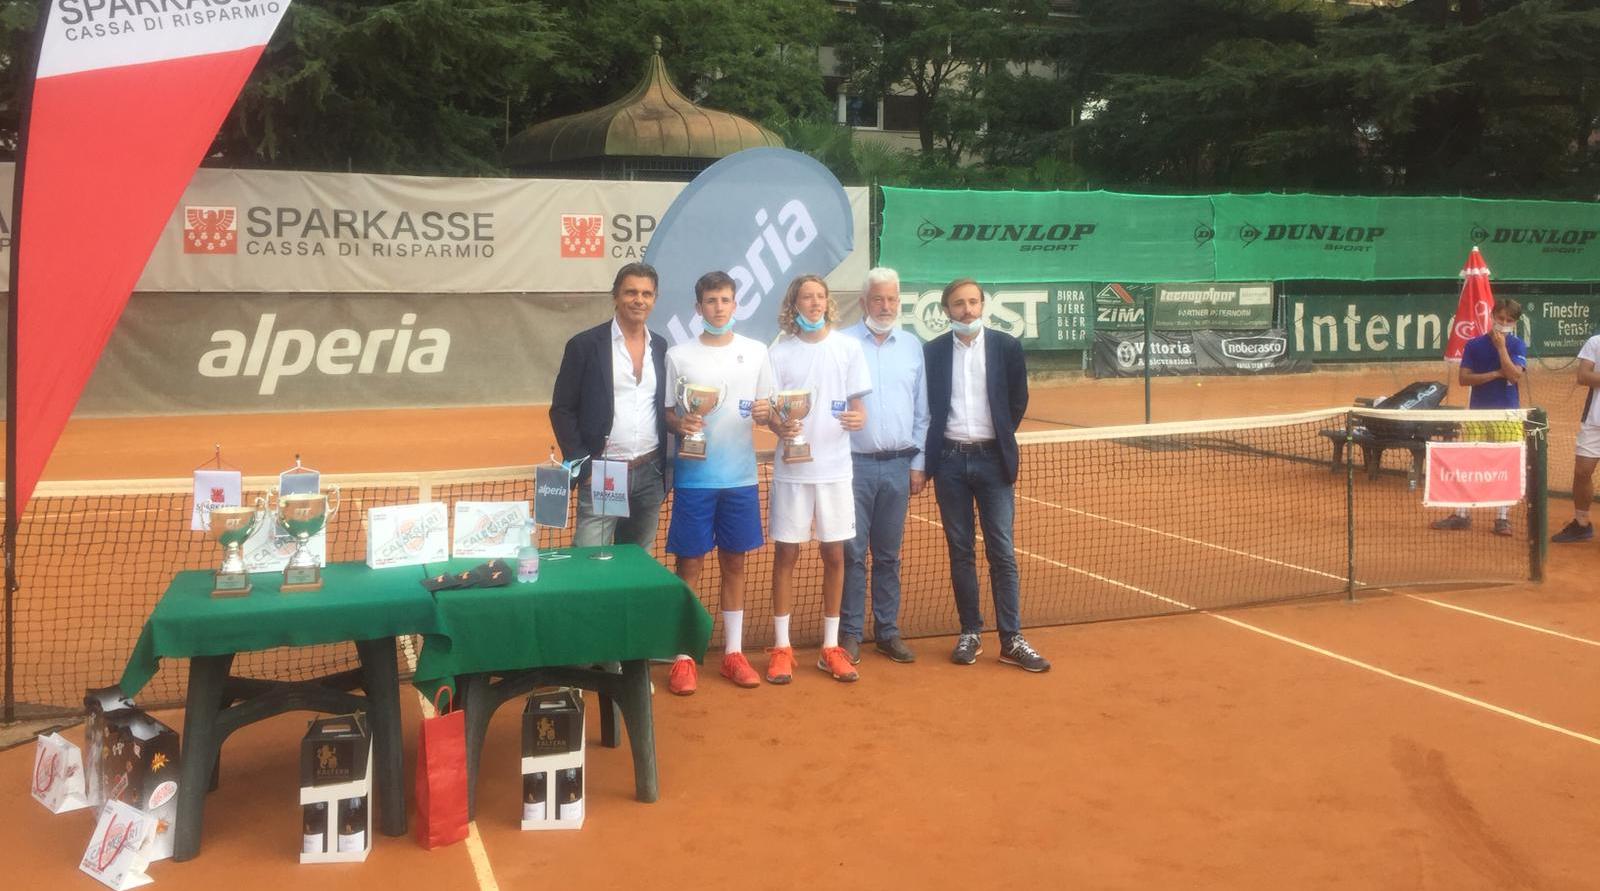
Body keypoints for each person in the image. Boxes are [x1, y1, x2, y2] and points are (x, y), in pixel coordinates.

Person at [924, 278, 1050, 672]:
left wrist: (996, 440)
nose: (967, 309)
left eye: (973, 302)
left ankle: (1011, 638)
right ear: (947, 310)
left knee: (1002, 551)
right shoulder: (933, 352)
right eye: (959, 304)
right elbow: (928, 405)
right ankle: (970, 633)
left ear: (983, 305)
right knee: (960, 552)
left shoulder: (1006, 347)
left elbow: (1018, 399)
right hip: (948, 462)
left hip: (993, 462)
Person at [661, 271, 773, 694]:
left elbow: (767, 411)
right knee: (688, 565)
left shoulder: (757, 352)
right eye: (711, 300)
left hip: (740, 478)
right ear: (698, 307)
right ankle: (685, 657)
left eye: (726, 299)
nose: (719, 307)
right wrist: (680, 421)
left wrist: (766, 414)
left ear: (735, 304)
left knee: (735, 564)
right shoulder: (679, 355)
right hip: (694, 480)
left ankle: (733, 653)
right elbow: (669, 413)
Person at [763, 274, 871, 684]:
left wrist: (859, 418)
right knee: (786, 556)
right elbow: (771, 411)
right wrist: (778, 427)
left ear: (828, 303)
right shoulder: (780, 352)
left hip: (835, 470)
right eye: (806, 297)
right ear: (794, 304)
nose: (814, 303)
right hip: (793, 471)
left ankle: (830, 647)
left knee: (835, 556)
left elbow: (859, 410)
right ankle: (782, 647)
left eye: (820, 296)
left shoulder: (848, 348)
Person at [840, 267, 928, 664]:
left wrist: (919, 463)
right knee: (852, 554)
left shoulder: (913, 346)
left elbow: (922, 412)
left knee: (889, 556)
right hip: (852, 467)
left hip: (898, 466)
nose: (887, 305)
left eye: (893, 299)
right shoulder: (842, 345)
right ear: (864, 302)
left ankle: (888, 632)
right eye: (879, 298)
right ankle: (851, 634)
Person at [549, 262, 669, 548]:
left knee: (637, 566)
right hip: (604, 472)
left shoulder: (661, 347)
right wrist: (585, 467)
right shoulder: (585, 345)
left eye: (646, 294)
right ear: (615, 295)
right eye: (630, 292)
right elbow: (562, 409)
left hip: (650, 472)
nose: (638, 300)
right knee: (592, 562)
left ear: (654, 299)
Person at [1432, 299, 1526, 536]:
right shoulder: (1473, 345)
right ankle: (1462, 515)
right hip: (1477, 413)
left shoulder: (1517, 345)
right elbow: (1464, 379)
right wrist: (1496, 373)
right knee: (1470, 463)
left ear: (1515, 323)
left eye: (1509, 320)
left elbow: (1514, 376)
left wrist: (1502, 348)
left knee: (1505, 465)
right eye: (1501, 318)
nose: (1504, 323)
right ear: (1493, 316)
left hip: (1507, 415)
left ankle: (1502, 519)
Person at [1552, 327, 1600, 543]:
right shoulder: (1595, 342)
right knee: (1582, 471)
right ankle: (1581, 524)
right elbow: (1583, 375)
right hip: (1594, 419)